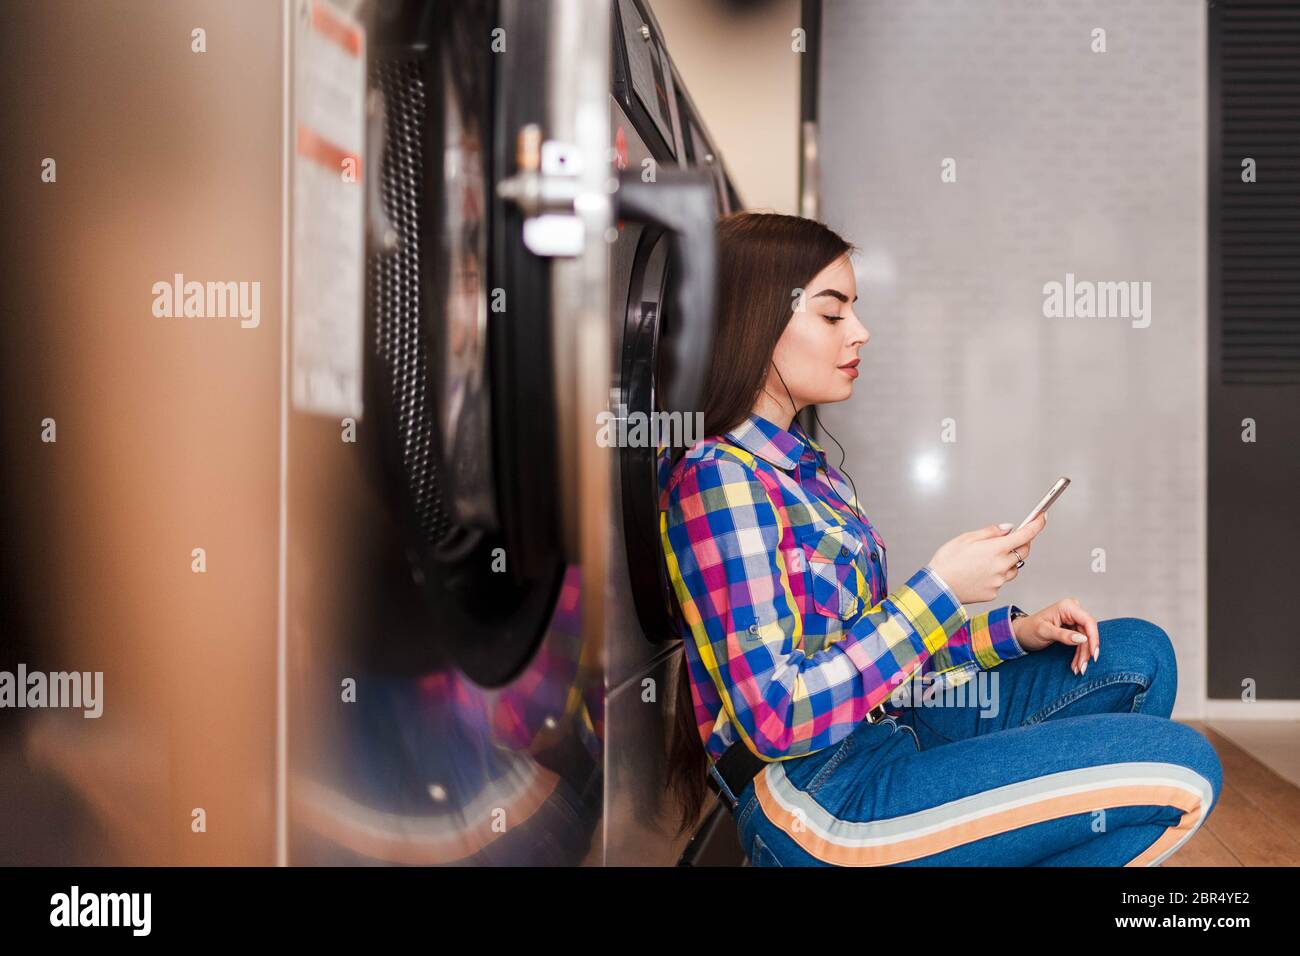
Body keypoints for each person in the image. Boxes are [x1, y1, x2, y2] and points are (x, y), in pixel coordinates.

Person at [658, 211, 1222, 866]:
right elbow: (777, 716)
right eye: (833, 314)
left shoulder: (814, 476)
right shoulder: (719, 479)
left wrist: (1014, 632)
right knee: (1185, 767)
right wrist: (941, 589)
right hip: (819, 795)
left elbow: (877, 667)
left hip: (887, 728)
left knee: (1138, 656)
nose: (861, 332)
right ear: (752, 320)